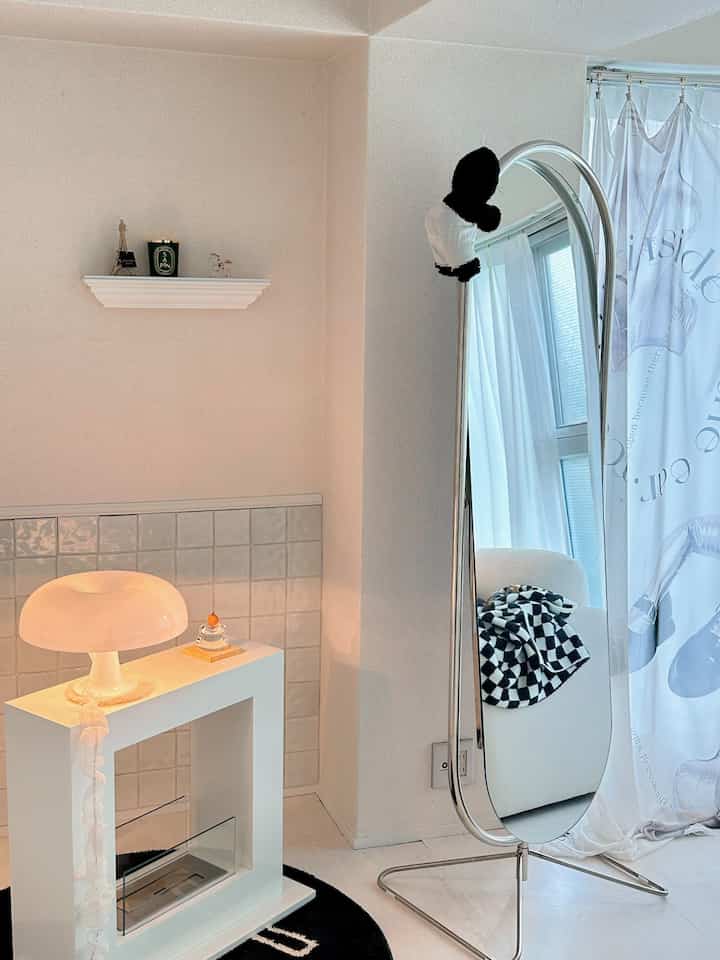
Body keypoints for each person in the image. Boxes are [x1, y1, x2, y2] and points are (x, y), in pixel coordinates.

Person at [425, 146, 502, 282]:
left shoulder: (440, 210)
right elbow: (488, 220)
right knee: (466, 268)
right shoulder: (461, 213)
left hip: (442, 218)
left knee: (446, 265)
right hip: (460, 256)